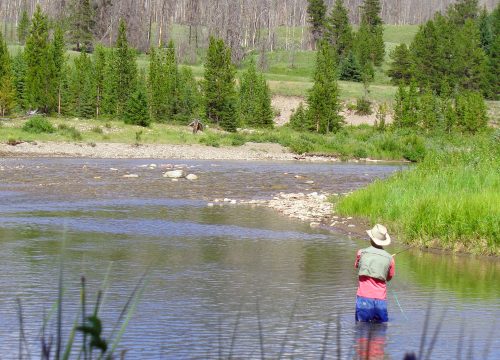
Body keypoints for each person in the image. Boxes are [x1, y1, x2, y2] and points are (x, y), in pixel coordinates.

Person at [354, 224, 395, 323]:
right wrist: (388, 259)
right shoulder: (390, 258)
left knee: (361, 330)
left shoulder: (361, 253)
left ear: (370, 238)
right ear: (383, 242)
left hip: (364, 298)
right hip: (380, 300)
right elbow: (389, 277)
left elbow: (356, 266)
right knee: (380, 332)